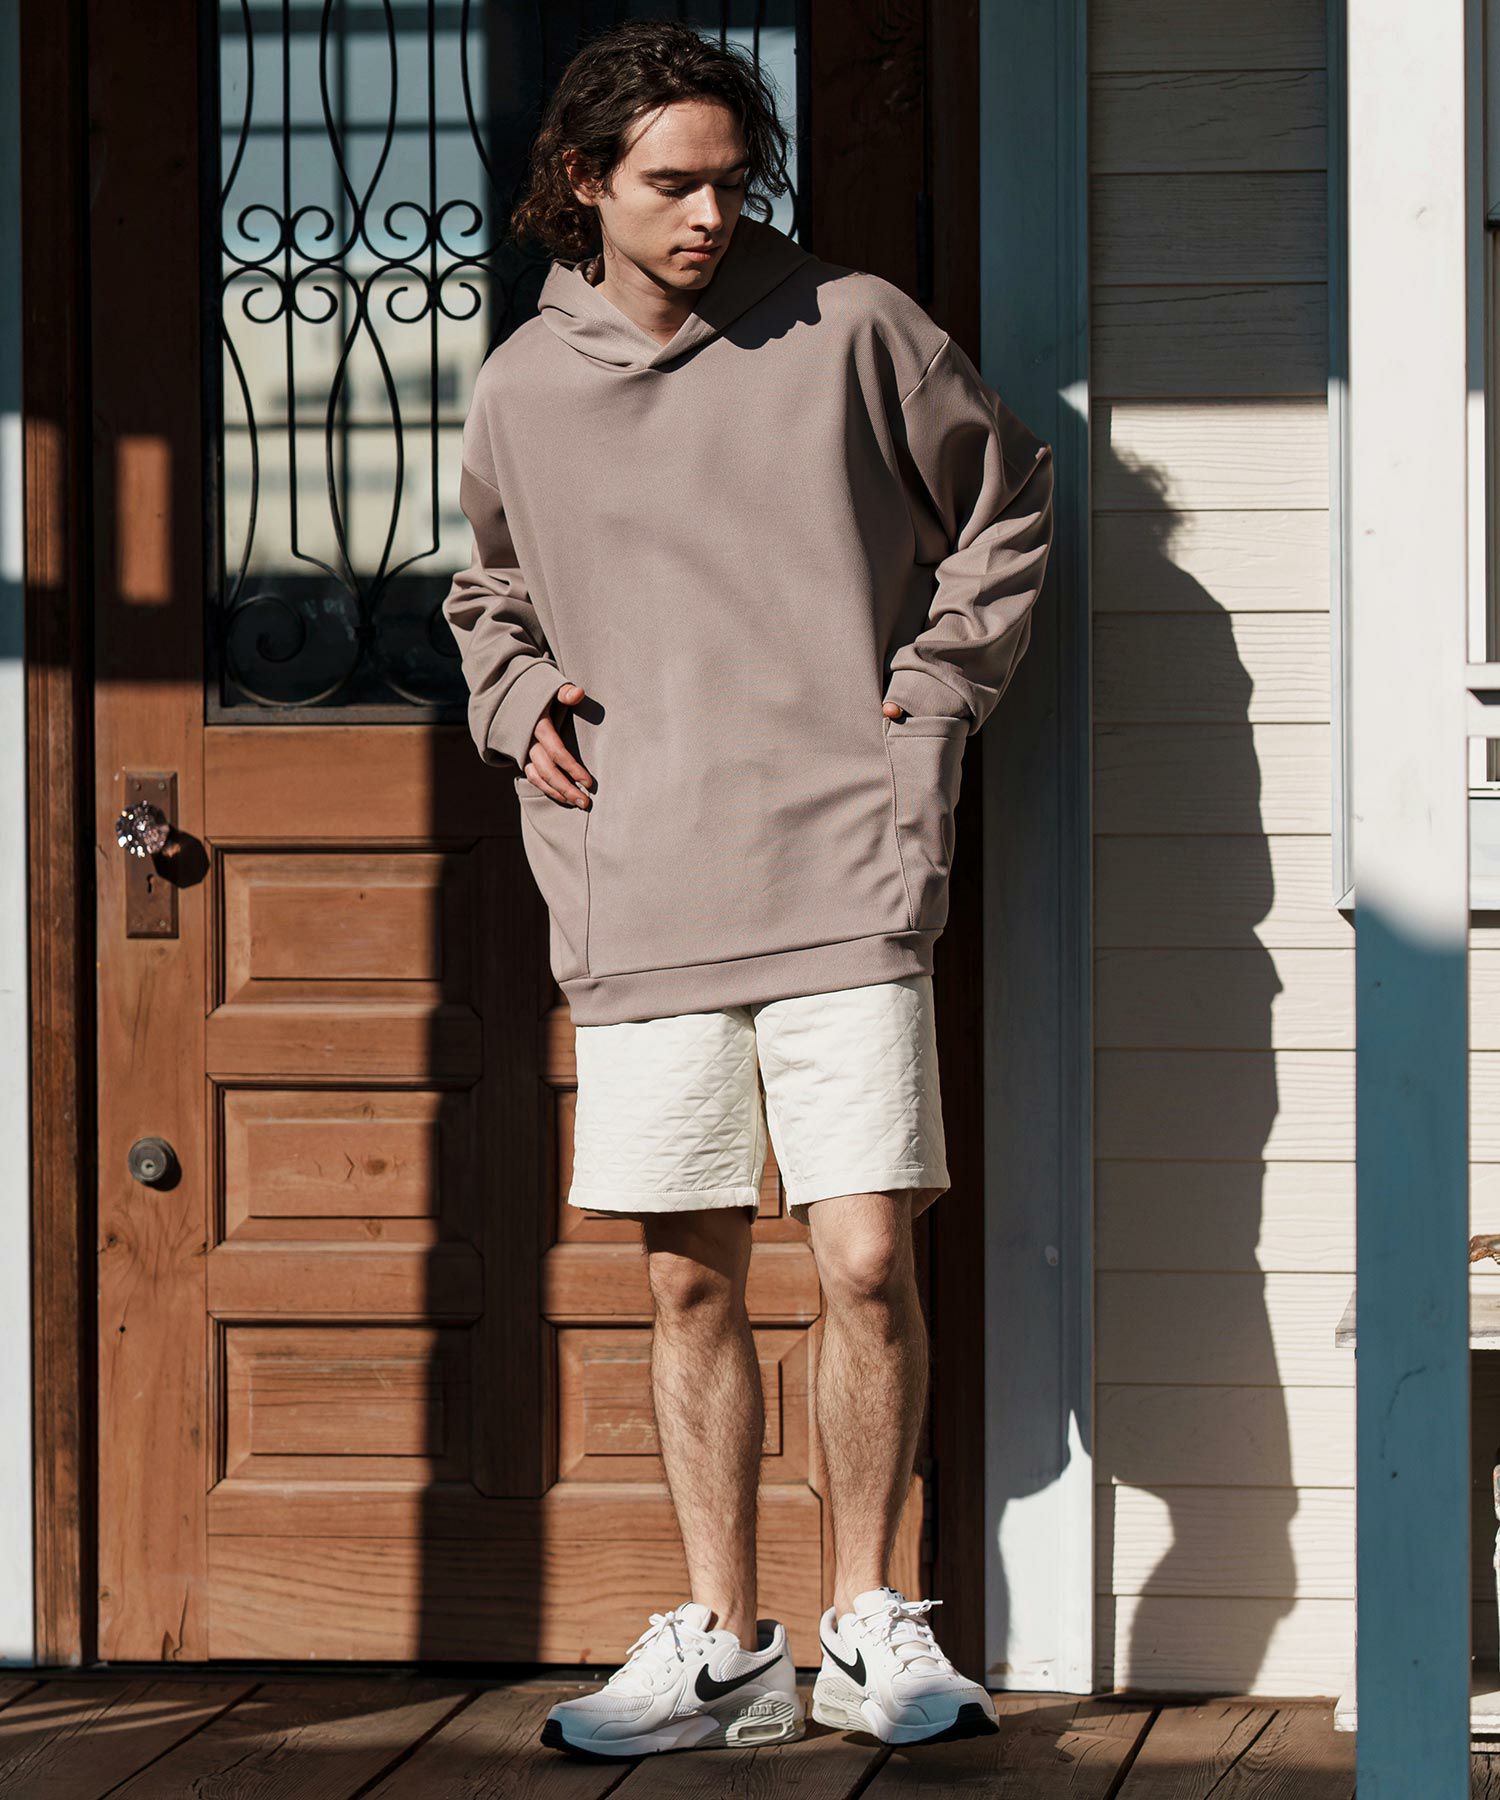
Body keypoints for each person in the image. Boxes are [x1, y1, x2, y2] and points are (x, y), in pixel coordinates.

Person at [441, 18, 1054, 1760]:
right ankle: (721, 1645)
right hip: (642, 872)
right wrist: (513, 697)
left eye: (731, 180)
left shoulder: (854, 327)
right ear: (585, 184)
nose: (712, 214)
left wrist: (933, 698)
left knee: (862, 1256)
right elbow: (490, 593)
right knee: (690, 1278)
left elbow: (1007, 504)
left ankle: (868, 1621)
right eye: (673, 184)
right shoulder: (522, 385)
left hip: (844, 854)